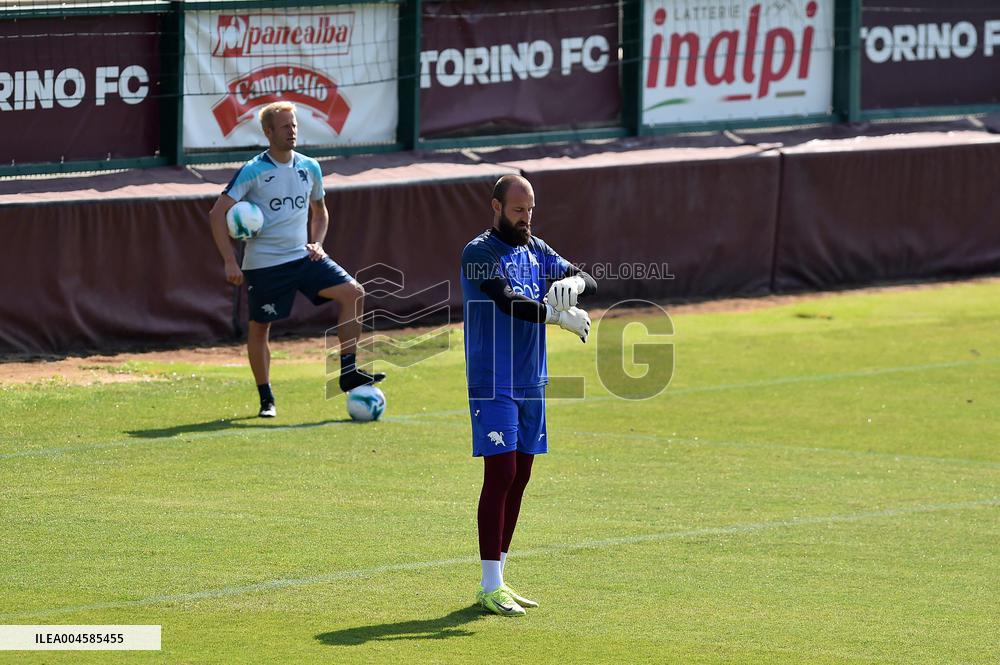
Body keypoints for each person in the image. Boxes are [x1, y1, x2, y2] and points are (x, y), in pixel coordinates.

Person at [460, 175, 597, 616]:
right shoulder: (478, 253)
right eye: (519, 210)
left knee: (520, 476)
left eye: (531, 210)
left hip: (531, 381)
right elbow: (505, 300)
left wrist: (574, 287)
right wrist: (556, 318)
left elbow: (585, 277)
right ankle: (488, 583)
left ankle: (499, 577)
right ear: (496, 207)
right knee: (500, 475)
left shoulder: (536, 248)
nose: (526, 218)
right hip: (492, 379)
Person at [209, 101, 384, 418]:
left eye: (294, 126)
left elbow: (320, 212)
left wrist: (317, 243)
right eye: (285, 126)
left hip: (303, 257)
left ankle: (348, 371)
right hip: (264, 265)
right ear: (268, 132)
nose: (292, 131)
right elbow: (216, 214)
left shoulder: (310, 167)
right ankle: (266, 399)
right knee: (260, 328)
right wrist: (229, 261)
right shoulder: (253, 171)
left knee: (354, 293)